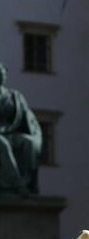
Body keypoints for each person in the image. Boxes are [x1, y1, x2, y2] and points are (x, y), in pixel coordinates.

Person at [0, 63, 42, 194]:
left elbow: (28, 118)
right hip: (1, 137)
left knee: (28, 143)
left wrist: (35, 136)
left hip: (10, 133)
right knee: (3, 145)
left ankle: (27, 183)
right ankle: (16, 184)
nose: (1, 75)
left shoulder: (15, 96)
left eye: (2, 71)